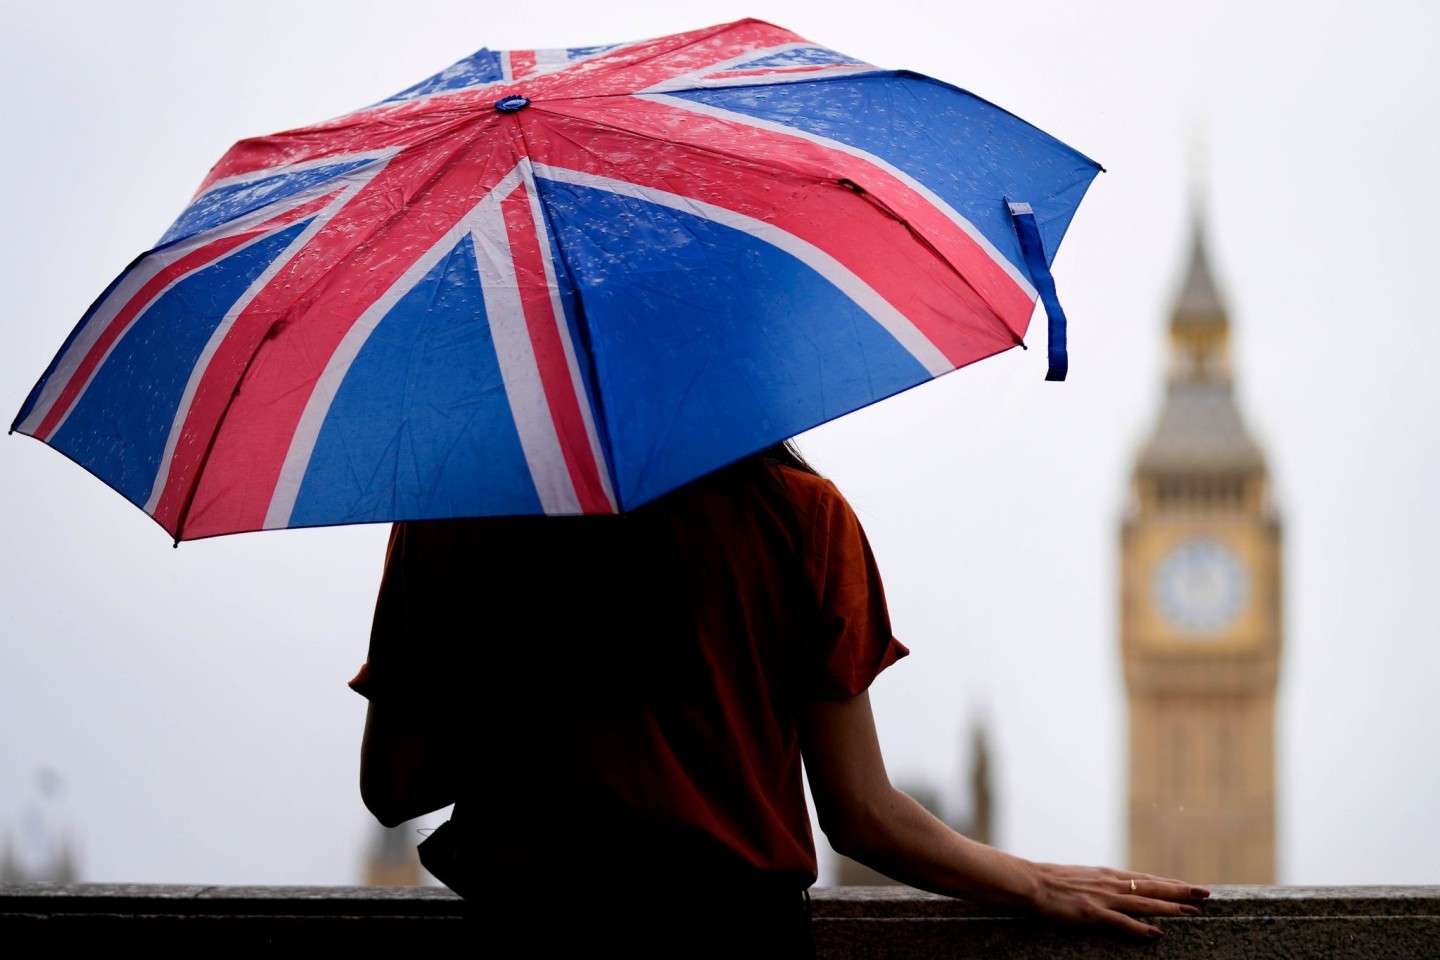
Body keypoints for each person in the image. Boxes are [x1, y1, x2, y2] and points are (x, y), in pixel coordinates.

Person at [353, 442, 1207, 955]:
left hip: (526, 938)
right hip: (732, 947)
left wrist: (538, 702)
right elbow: (862, 815)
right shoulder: (801, 515)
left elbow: (393, 788)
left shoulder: (452, 517)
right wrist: (1033, 884)